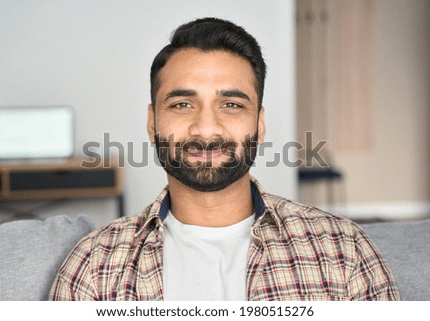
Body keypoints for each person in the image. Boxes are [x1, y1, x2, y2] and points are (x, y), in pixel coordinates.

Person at [49, 17, 400, 301]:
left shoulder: (344, 252)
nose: (206, 129)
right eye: (182, 104)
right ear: (152, 122)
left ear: (259, 124)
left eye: (231, 105)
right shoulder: (94, 265)